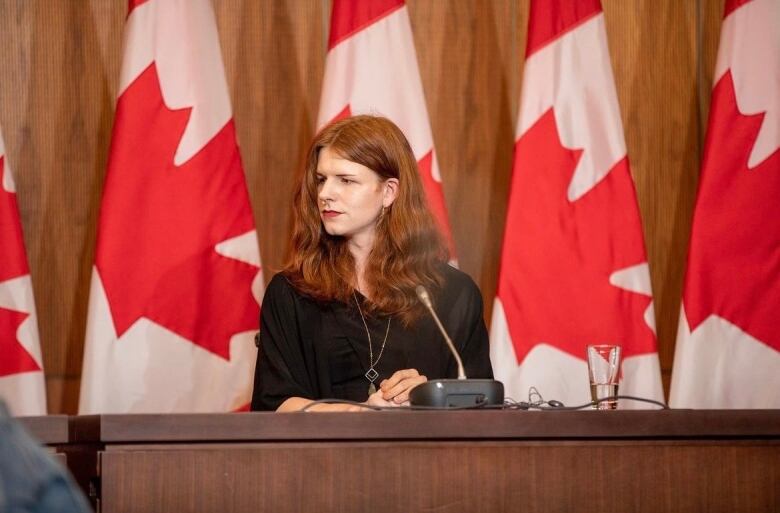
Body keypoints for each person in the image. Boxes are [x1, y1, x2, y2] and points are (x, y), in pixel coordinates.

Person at [251, 115, 493, 412]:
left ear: (389, 192)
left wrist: (430, 395)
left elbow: (480, 407)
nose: (325, 194)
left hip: (425, 457)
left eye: (346, 180)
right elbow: (274, 404)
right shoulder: (291, 291)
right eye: (321, 180)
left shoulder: (453, 294)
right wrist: (361, 413)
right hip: (322, 458)